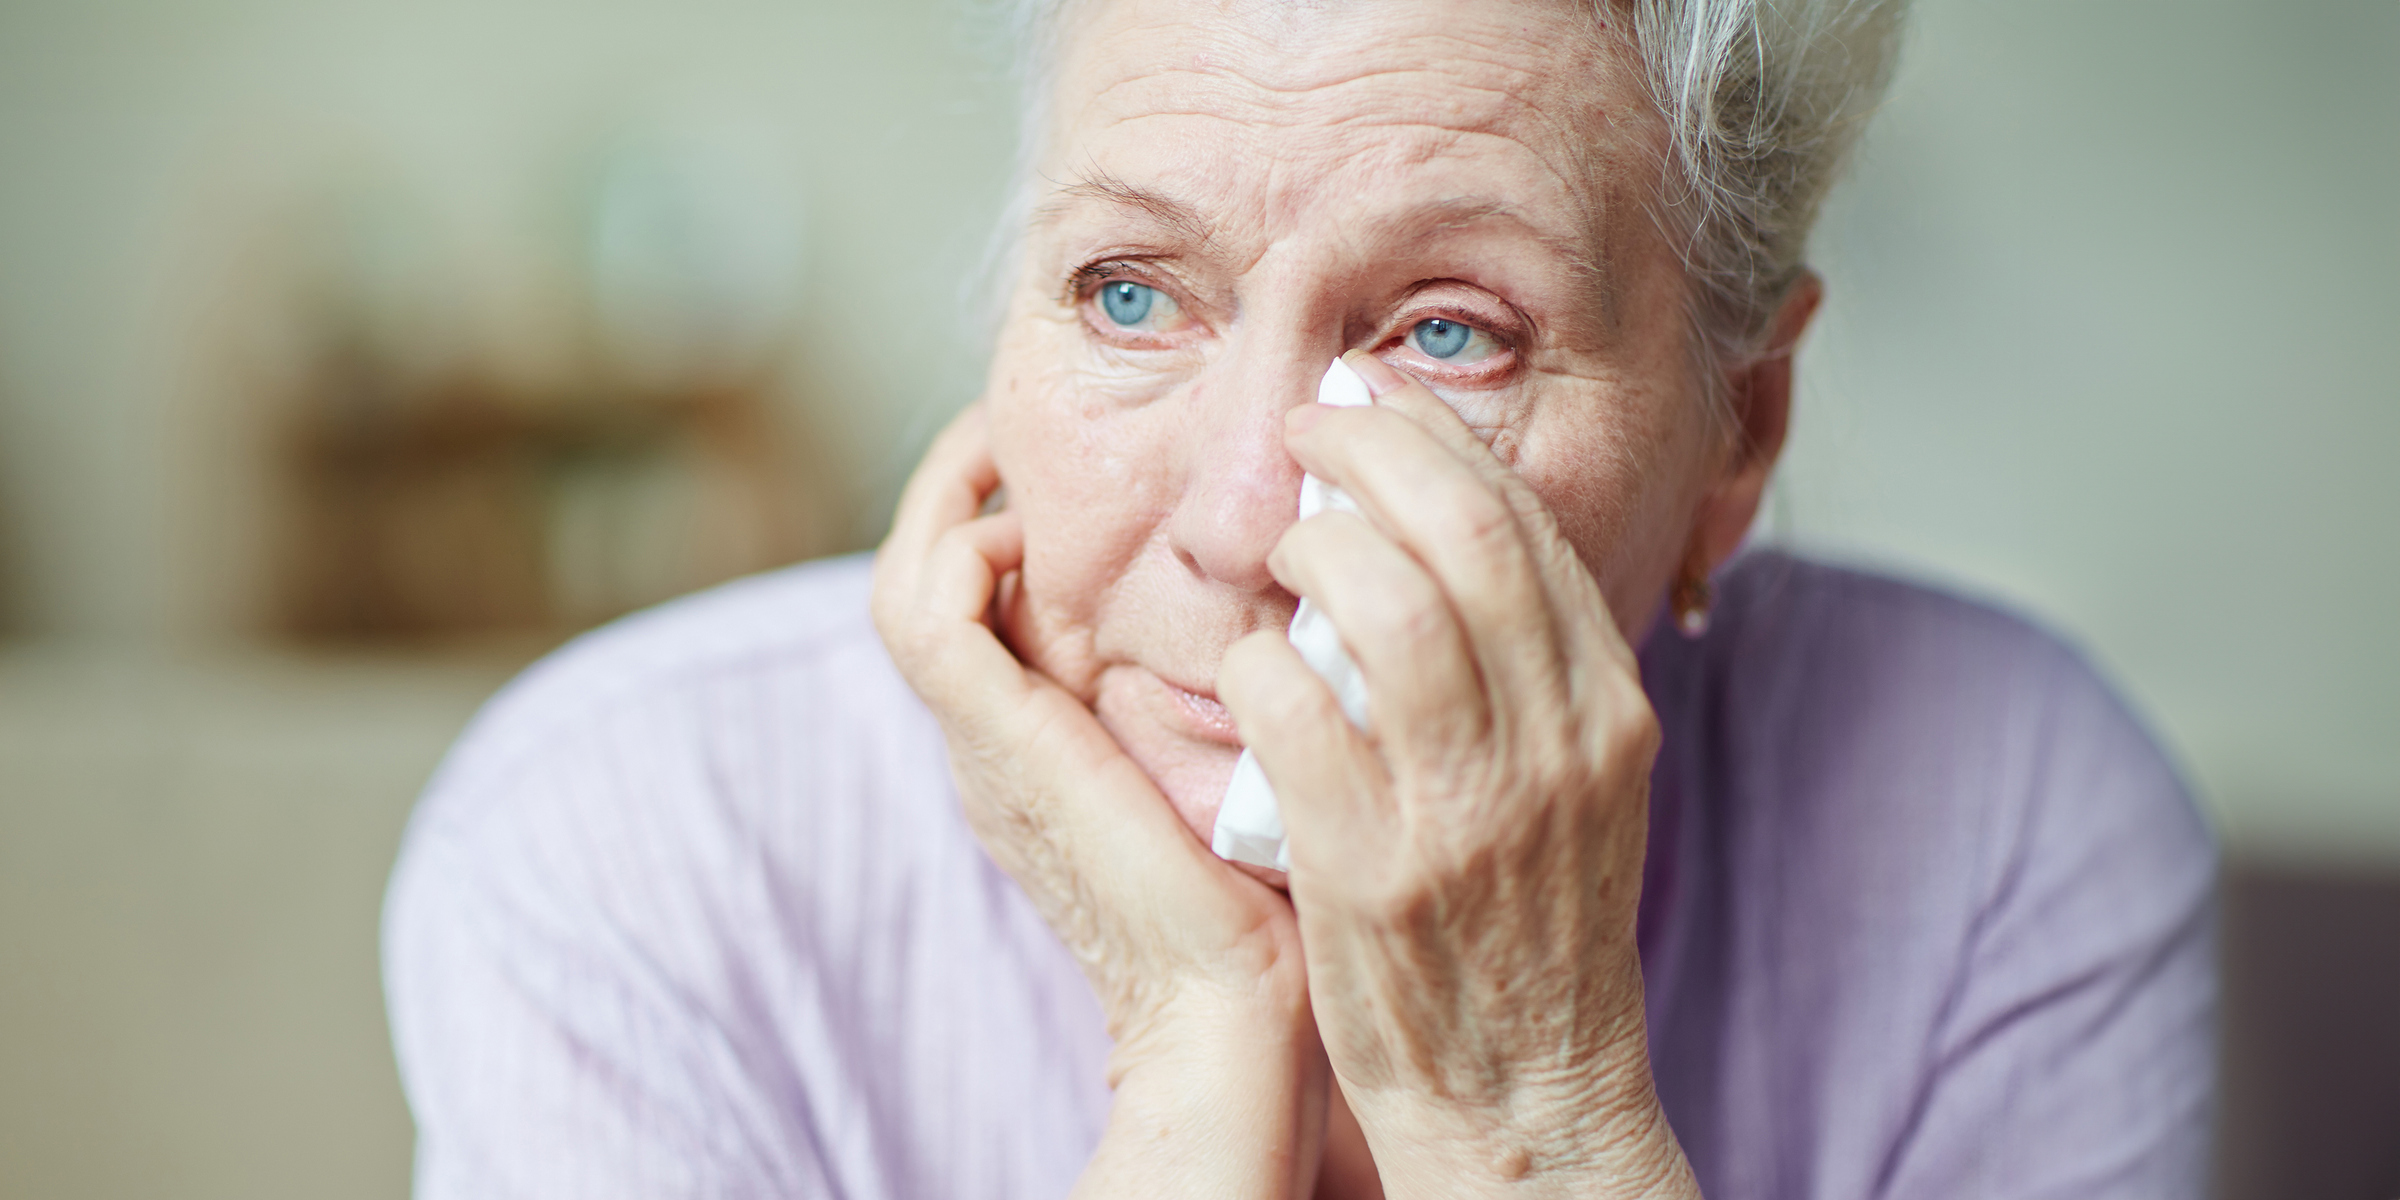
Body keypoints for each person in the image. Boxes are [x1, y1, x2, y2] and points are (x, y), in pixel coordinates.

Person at [383, 0, 2216, 1196]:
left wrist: (1529, 1113)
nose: (1243, 517)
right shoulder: (616, 843)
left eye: (1447, 333)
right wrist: (1199, 1035)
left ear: (1738, 428)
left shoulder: (2009, 826)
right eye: (1125, 293)